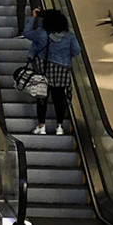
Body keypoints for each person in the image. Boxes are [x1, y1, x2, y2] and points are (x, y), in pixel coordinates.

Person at [22, 8, 81, 136]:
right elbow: (76, 51)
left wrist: (34, 18)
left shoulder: (41, 33)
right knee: (59, 99)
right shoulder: (69, 36)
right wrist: (64, 56)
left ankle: (42, 127)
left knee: (42, 97)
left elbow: (26, 33)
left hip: (43, 69)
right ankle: (59, 127)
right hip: (62, 70)